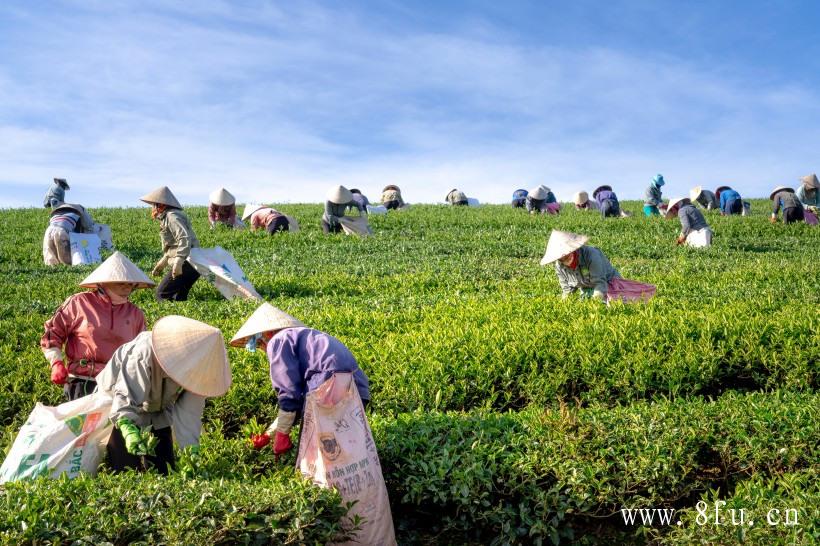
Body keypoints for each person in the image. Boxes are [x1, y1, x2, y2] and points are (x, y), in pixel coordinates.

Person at [229, 303, 370, 457]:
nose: (262, 348)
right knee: (347, 445)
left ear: (268, 333)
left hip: (328, 383)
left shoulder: (278, 341)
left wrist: (282, 435)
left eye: (258, 342)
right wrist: (270, 435)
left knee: (314, 448)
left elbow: (289, 395)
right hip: (357, 386)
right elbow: (297, 404)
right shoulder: (307, 336)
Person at [95, 315, 231, 474]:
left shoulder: (199, 372)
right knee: (124, 469)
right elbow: (126, 393)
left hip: (159, 410)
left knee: (164, 470)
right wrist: (128, 428)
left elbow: (189, 413)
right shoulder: (143, 352)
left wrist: (191, 452)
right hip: (118, 407)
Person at [40, 251, 154, 400]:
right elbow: (53, 332)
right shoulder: (79, 303)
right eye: (121, 281)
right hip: (84, 379)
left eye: (130, 283)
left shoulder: (134, 313)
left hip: (120, 383)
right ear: (104, 281)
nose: (127, 286)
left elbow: (142, 349)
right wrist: (56, 362)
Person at [540, 230, 655, 303]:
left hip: (608, 286)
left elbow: (600, 283)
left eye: (567, 254)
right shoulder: (559, 266)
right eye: (562, 258)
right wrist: (564, 305)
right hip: (587, 290)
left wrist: (596, 305)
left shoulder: (591, 255)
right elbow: (567, 289)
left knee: (615, 306)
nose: (566, 258)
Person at [139, 186, 201, 301]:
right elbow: (173, 245)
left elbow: (183, 237)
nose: (153, 208)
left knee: (161, 294)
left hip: (188, 261)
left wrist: (179, 261)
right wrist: (163, 262)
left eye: (154, 205)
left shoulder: (171, 216)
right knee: (178, 296)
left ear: (161, 205)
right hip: (193, 262)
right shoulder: (168, 216)